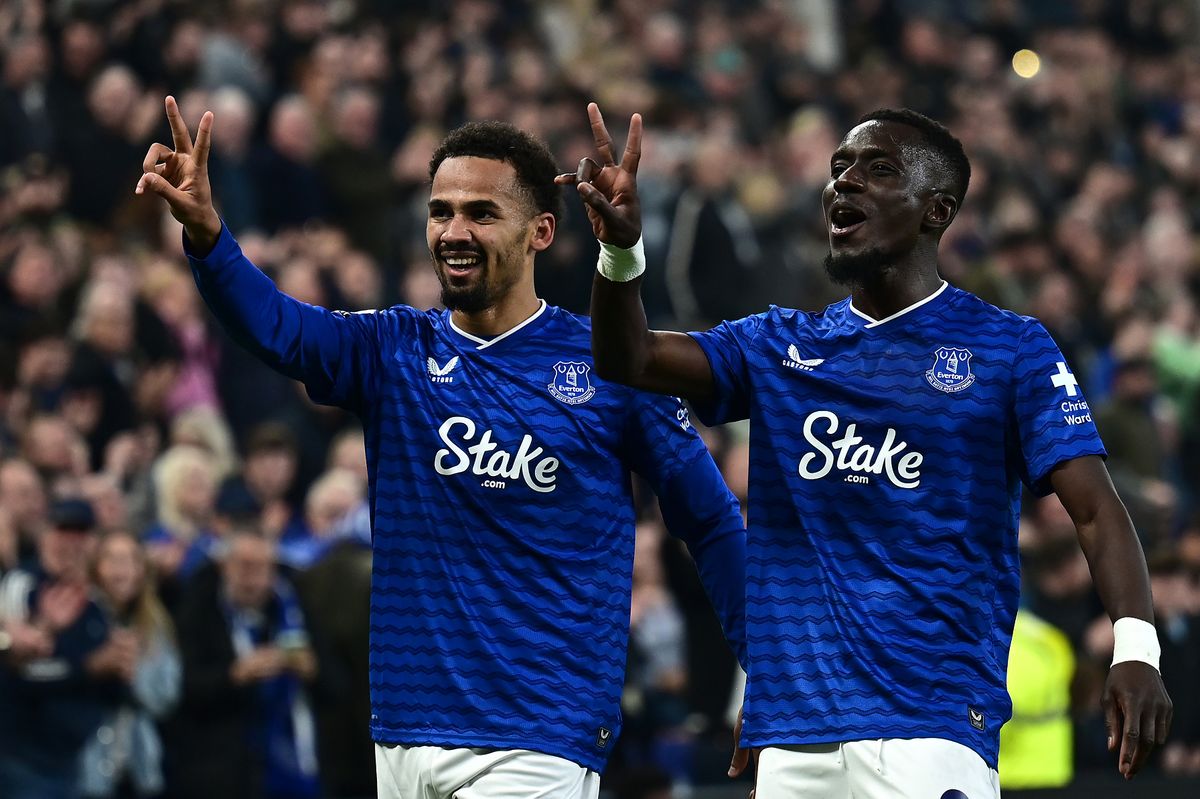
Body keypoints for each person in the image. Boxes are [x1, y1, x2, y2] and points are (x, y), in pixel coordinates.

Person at [135, 96, 746, 797]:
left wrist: (769, 676)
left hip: (539, 734)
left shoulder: (612, 363)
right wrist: (210, 238)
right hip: (405, 730)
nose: (454, 230)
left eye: (482, 213)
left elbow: (711, 519)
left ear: (541, 231)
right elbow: (279, 329)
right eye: (440, 211)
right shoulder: (394, 348)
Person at [564, 102, 1172, 796]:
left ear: (936, 212)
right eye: (838, 169)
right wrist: (621, 252)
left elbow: (1095, 509)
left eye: (876, 169)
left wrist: (1136, 649)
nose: (843, 183)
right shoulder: (776, 345)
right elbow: (628, 358)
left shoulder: (1009, 347)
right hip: (794, 737)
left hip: (932, 724)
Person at [79, 530, 181, 799]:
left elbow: (166, 696)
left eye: (130, 559)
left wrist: (133, 672)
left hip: (140, 766)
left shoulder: (155, 624)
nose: (120, 568)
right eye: (111, 559)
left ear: (142, 570)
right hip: (87, 766)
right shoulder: (79, 616)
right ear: (95, 568)